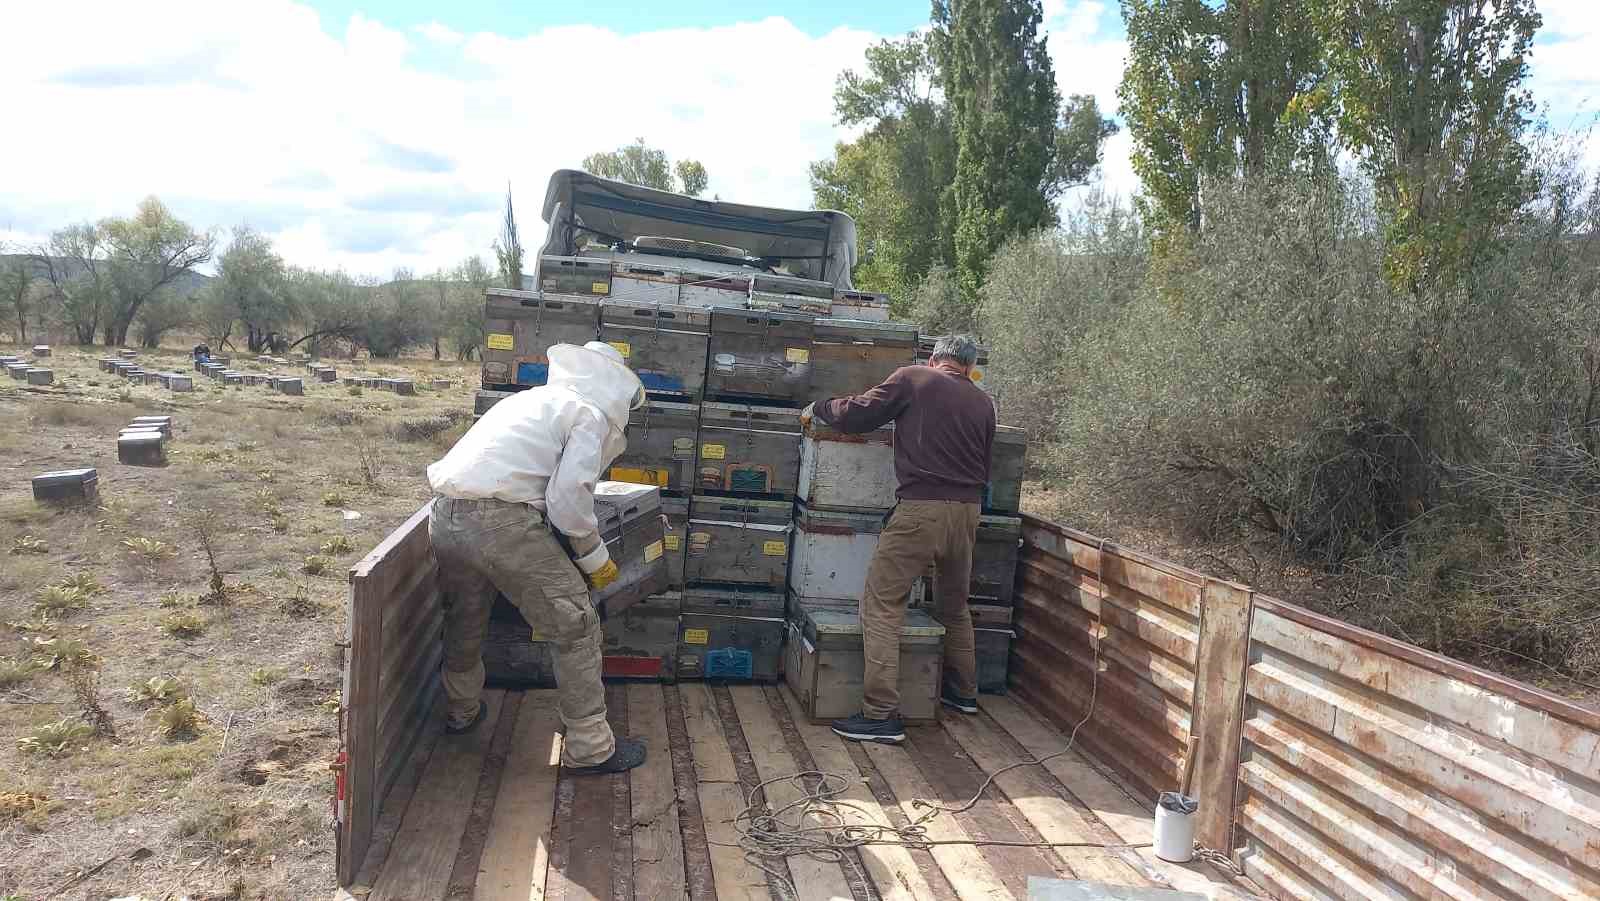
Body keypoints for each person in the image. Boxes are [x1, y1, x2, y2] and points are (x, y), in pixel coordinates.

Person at [425, 341, 647, 774]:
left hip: (445, 516)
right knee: (575, 625)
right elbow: (567, 501)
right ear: (613, 386)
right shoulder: (589, 415)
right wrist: (594, 559)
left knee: (467, 617)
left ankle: (461, 710)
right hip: (501, 525)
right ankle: (591, 748)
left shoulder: (527, 402)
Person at [803, 334, 996, 744]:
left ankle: (879, 715)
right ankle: (963, 693)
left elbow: (858, 414)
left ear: (934, 358)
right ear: (969, 365)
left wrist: (819, 407)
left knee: (881, 604)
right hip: (967, 513)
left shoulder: (914, 378)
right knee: (954, 606)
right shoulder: (984, 402)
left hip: (921, 510)